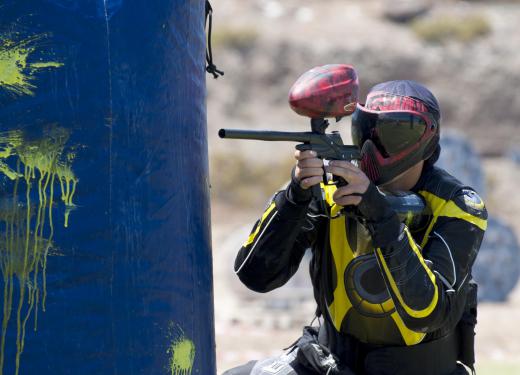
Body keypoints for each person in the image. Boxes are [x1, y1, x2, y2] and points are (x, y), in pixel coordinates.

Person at [224, 81, 487, 375]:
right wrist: (295, 197)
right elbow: (255, 275)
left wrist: (380, 217)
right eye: (367, 130)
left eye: (395, 132)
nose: (373, 147)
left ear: (427, 141)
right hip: (329, 362)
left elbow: (427, 312)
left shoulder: (457, 205)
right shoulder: (331, 190)